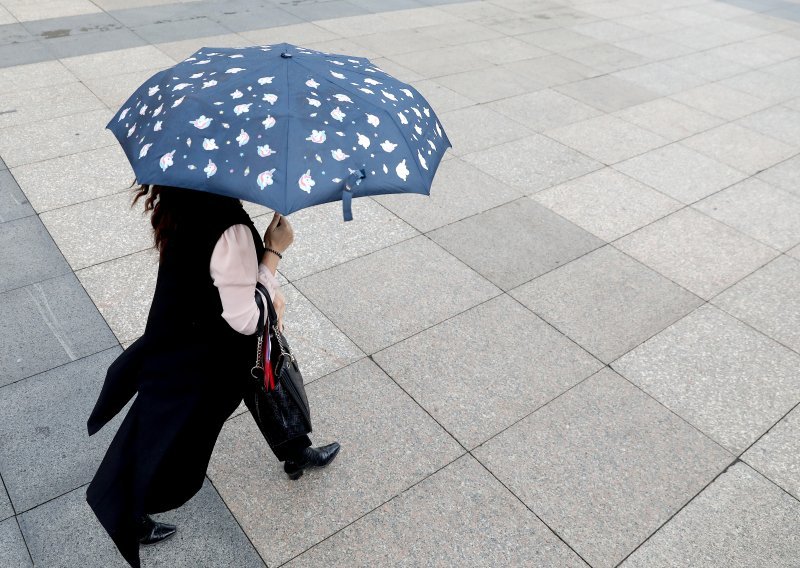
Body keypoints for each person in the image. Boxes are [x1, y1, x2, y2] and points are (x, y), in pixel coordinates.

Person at [85, 185, 340, 568]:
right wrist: (273, 254)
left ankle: (295, 451)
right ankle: (127, 508)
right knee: (167, 431)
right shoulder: (229, 228)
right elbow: (246, 318)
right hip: (203, 354)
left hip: (186, 334)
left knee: (262, 383)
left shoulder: (185, 197)